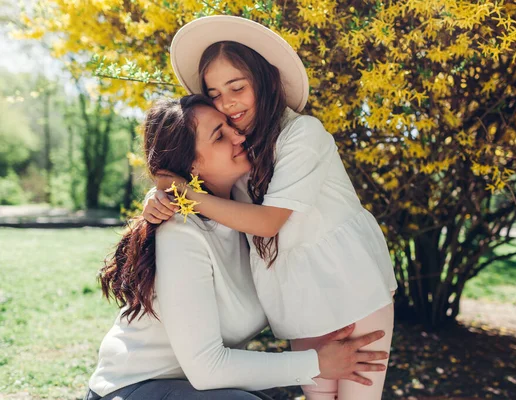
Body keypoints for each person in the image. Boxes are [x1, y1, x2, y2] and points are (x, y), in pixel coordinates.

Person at [145, 16, 399, 400]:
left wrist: (181, 191)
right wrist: (161, 193)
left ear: (264, 82)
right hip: (295, 293)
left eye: (237, 87)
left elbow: (267, 222)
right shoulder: (241, 151)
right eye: (213, 93)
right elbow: (203, 181)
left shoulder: (302, 135)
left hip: (351, 283)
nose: (227, 102)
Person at [86, 95, 389, 400]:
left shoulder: (249, 209)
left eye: (231, 125)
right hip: (134, 388)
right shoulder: (180, 233)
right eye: (220, 135)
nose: (239, 135)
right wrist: (317, 364)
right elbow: (207, 368)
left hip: (203, 390)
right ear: (191, 164)